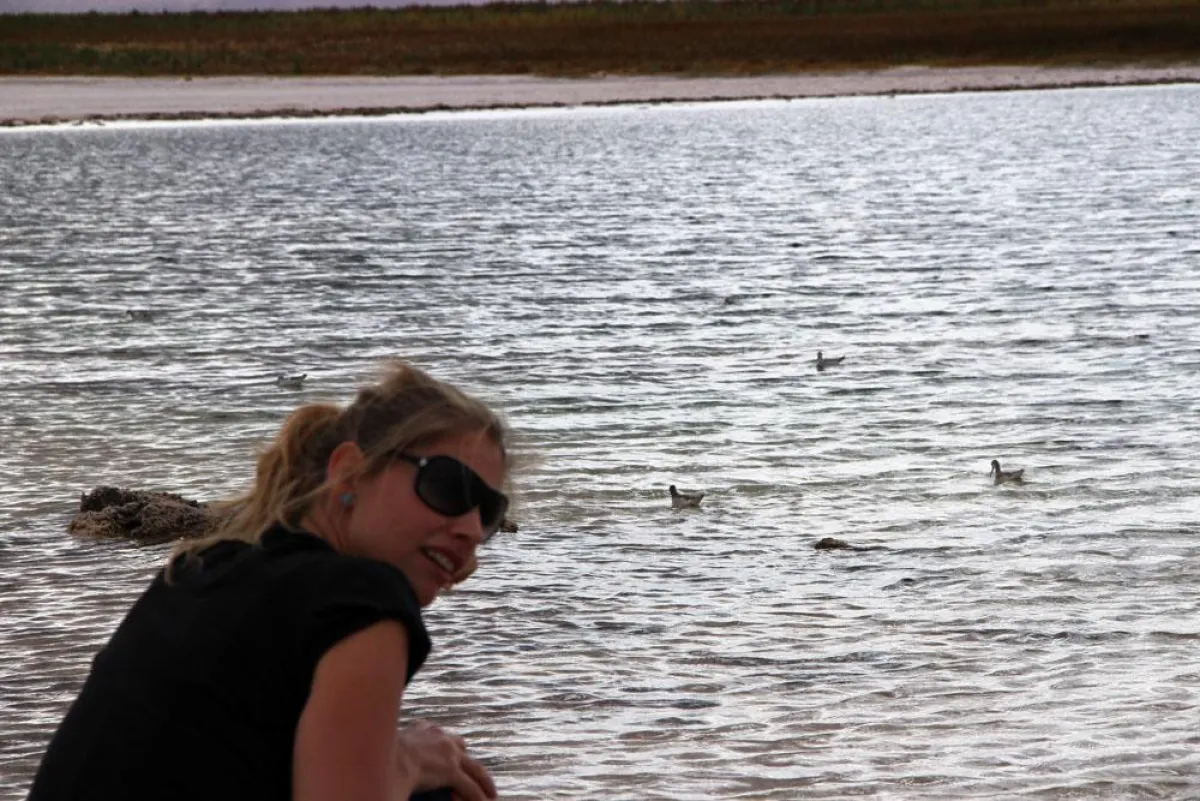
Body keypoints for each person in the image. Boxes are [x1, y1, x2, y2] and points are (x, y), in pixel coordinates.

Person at [29, 361, 511, 801]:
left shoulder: (206, 567)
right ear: (350, 472)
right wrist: (408, 762)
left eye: (487, 512)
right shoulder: (362, 599)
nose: (471, 528)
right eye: (447, 488)